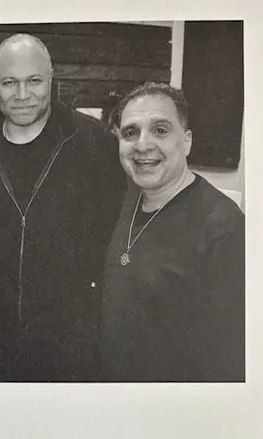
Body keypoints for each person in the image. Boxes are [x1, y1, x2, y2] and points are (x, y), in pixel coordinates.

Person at [0, 33, 126, 382]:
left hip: (79, 337)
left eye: (33, 81)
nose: (22, 95)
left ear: (51, 78)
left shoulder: (95, 142)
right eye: (9, 82)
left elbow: (116, 237)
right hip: (6, 333)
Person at [100, 82, 245, 382]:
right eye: (130, 132)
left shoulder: (223, 226)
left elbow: (228, 362)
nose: (142, 145)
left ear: (187, 141)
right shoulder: (124, 199)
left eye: (160, 130)